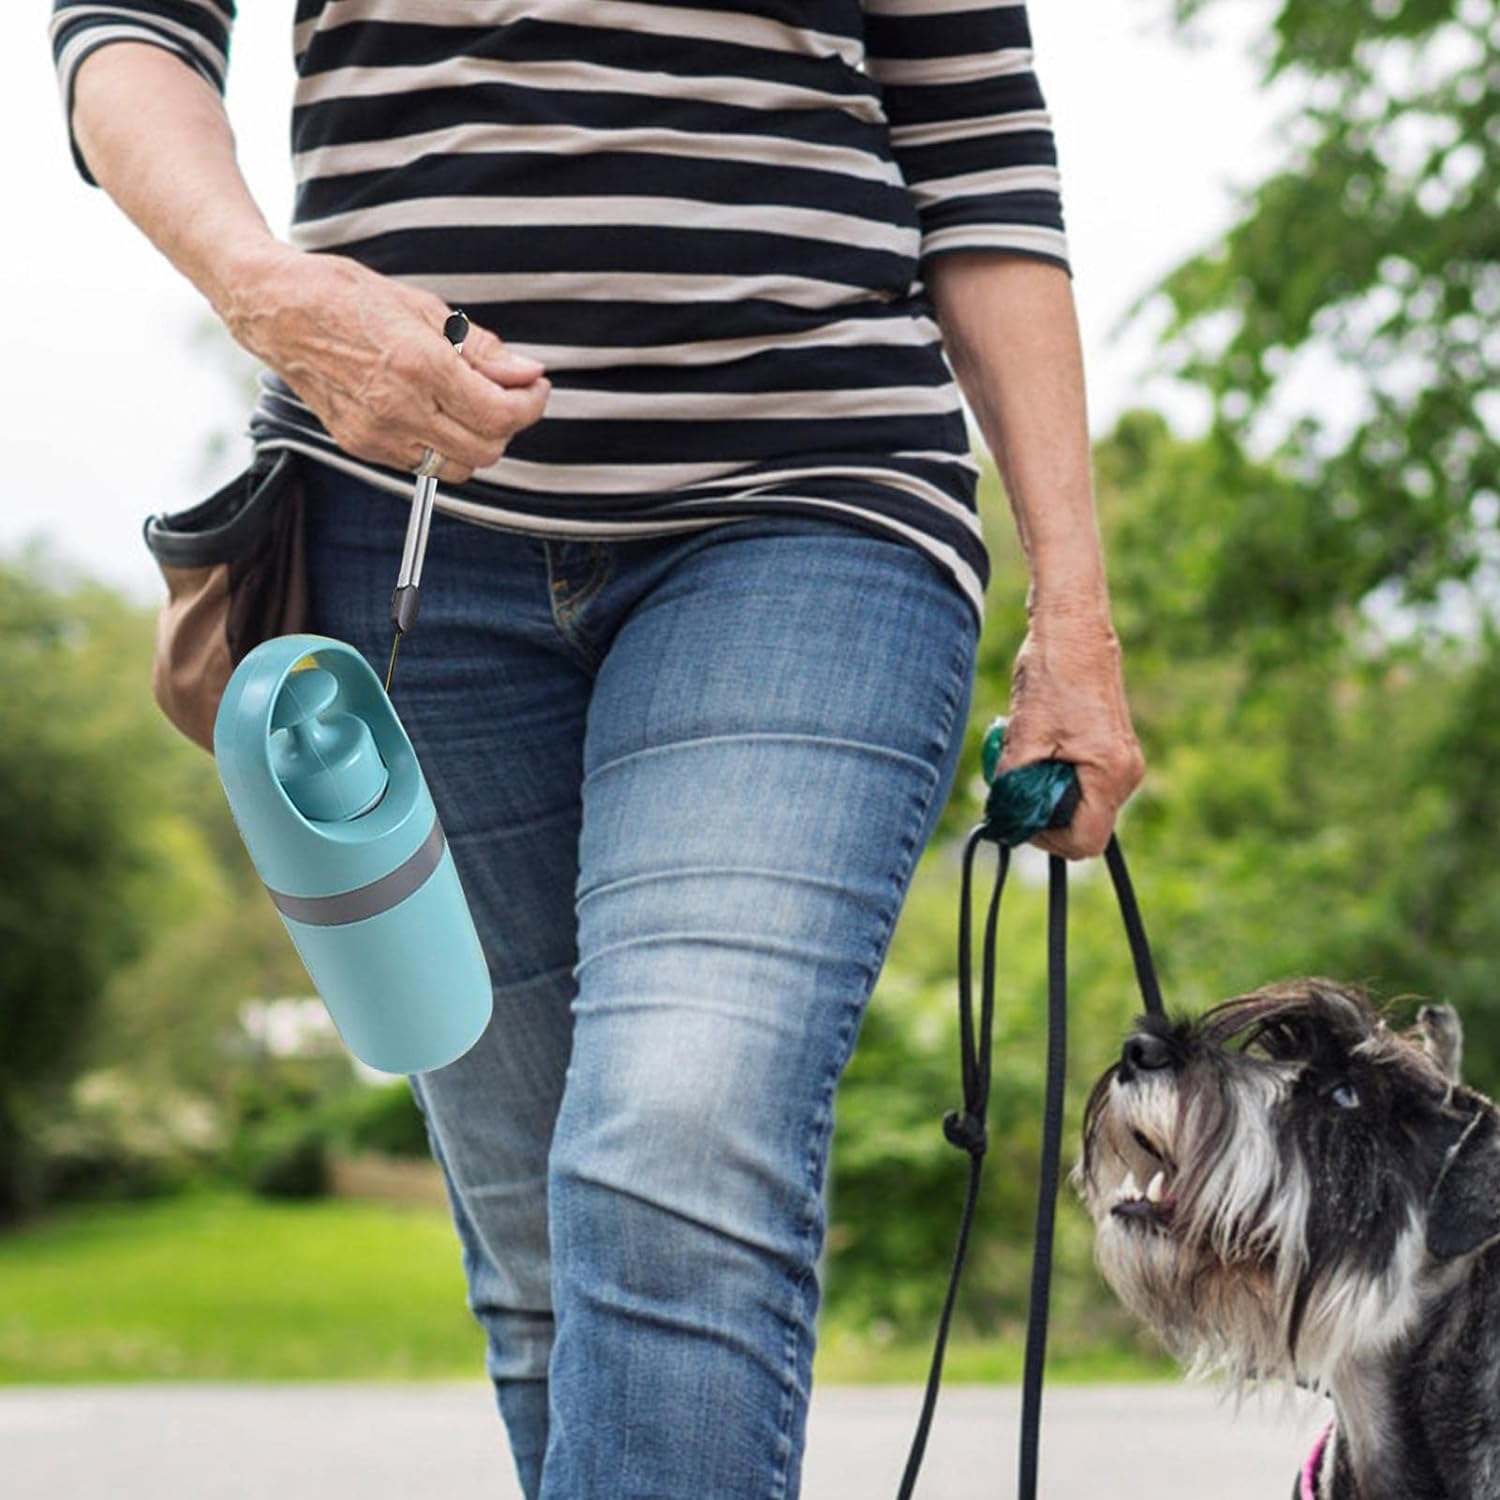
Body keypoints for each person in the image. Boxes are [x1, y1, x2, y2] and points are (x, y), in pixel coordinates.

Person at [51, 2, 1145, 1495]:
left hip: (812, 505)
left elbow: (982, 154)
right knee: (541, 1248)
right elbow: (127, 30)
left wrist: (1073, 612)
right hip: (407, 528)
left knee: (675, 1147)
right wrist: (266, 289)